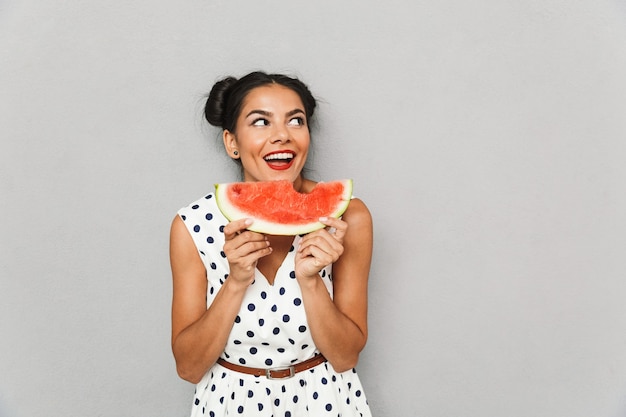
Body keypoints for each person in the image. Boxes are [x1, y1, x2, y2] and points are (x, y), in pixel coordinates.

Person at [169, 71, 373, 417]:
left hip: (323, 399)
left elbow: (345, 356)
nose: (282, 136)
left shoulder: (348, 217)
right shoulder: (192, 225)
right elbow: (188, 368)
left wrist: (310, 281)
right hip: (231, 402)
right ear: (231, 142)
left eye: (296, 121)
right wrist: (235, 282)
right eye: (261, 122)